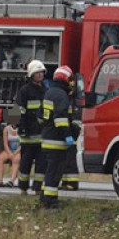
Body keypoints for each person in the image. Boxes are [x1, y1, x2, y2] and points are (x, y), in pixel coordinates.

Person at [39, 65, 76, 209]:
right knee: (55, 173)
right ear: (66, 79)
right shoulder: (62, 96)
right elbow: (60, 119)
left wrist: (46, 129)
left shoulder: (49, 93)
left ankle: (44, 197)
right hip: (57, 141)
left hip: (47, 138)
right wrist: (67, 135)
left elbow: (41, 117)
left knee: (49, 170)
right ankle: (51, 201)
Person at [15, 60, 49, 194]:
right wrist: (20, 127)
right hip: (28, 135)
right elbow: (17, 110)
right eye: (37, 72)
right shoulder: (24, 91)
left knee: (41, 164)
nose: (40, 75)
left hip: (42, 135)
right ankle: (23, 188)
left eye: (42, 72)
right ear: (31, 75)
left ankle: (37, 188)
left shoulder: (45, 90)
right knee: (25, 164)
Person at [0, 122, 21, 186]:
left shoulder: (22, 128)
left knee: (16, 160)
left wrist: (15, 152)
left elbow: (23, 143)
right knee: (0, 159)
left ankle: (11, 181)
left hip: (19, 150)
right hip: (9, 149)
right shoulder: (6, 129)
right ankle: (0, 180)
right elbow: (5, 143)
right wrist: (9, 153)